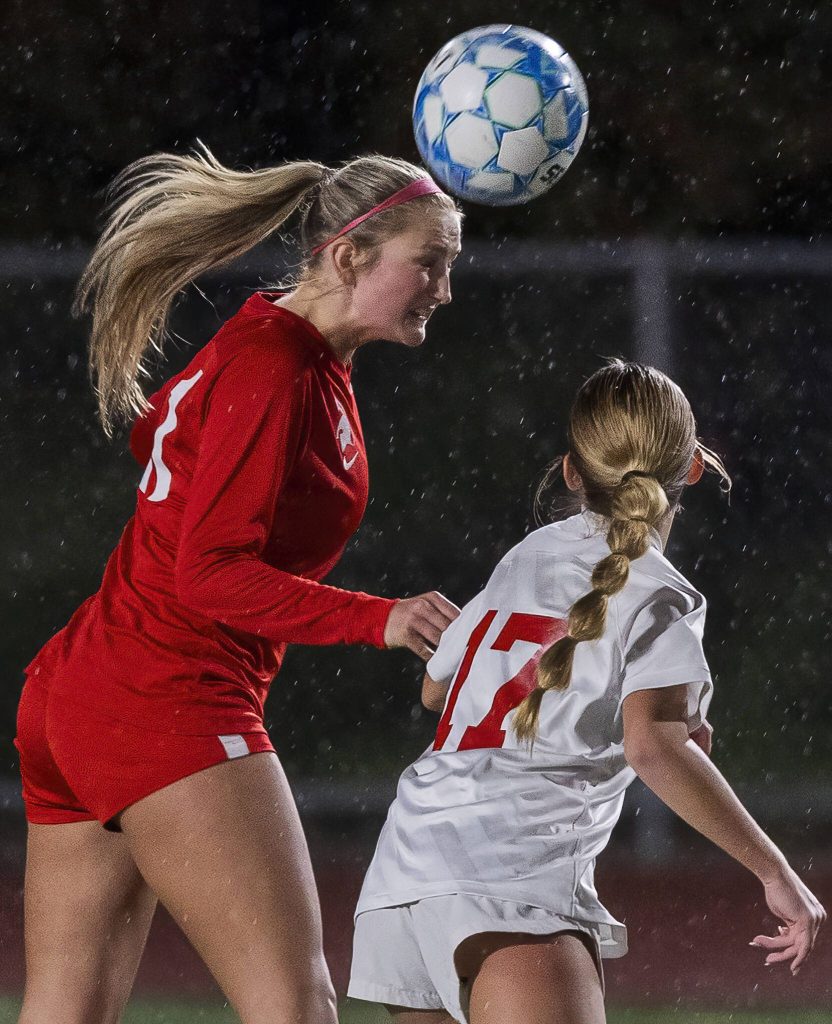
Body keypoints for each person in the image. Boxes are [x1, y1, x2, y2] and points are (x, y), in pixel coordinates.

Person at [14, 146, 463, 1024]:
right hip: (166, 698)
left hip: (83, 690)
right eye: (430, 262)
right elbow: (210, 573)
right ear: (348, 255)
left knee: (65, 1011)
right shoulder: (275, 364)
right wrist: (381, 618)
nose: (443, 288)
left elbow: (160, 445)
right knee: (294, 1006)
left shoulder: (275, 349)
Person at [348, 361, 826, 1024]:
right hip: (514, 871)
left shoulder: (525, 558)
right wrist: (777, 872)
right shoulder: (661, 593)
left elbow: (437, 690)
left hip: (408, 862)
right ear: (691, 470)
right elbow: (653, 748)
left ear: (572, 471)